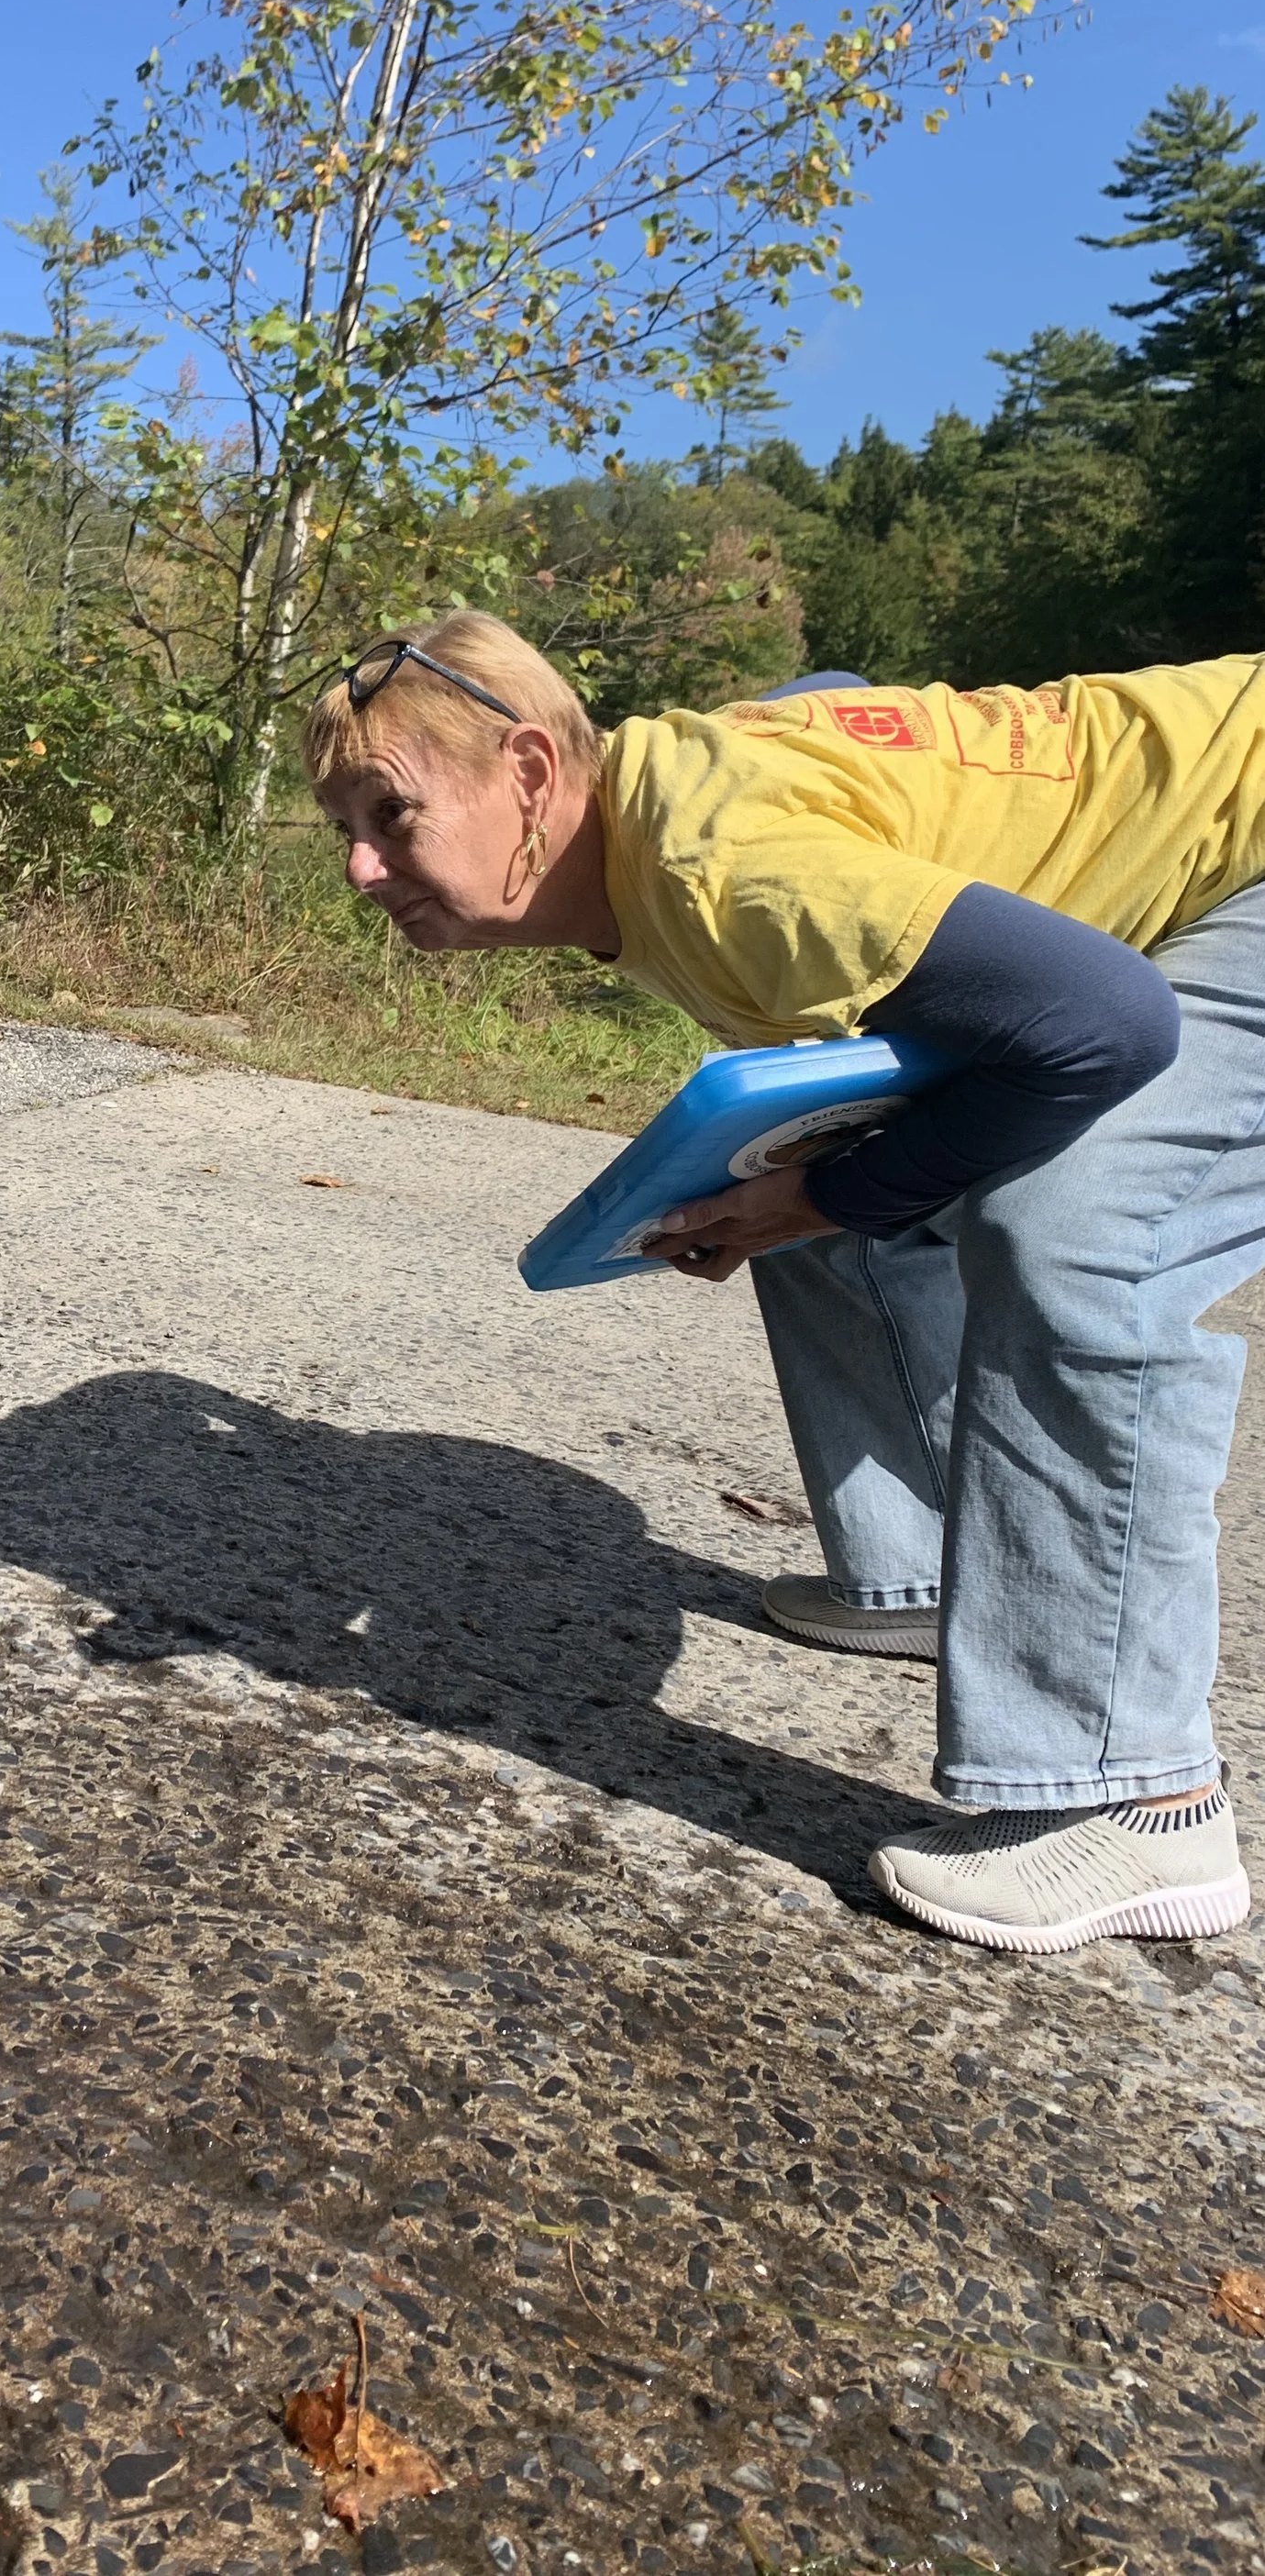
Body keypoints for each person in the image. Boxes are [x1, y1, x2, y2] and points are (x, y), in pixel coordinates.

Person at [303, 609, 1265, 1956]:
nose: (358, 865)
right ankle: (936, 1576)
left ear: (531, 773)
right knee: (813, 1147)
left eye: (390, 814)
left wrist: (816, 1199)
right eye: (340, 824)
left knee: (1080, 1230)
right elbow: (830, 692)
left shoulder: (718, 869)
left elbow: (1106, 1026)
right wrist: (811, 1192)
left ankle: (1137, 1796)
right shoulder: (663, 786)